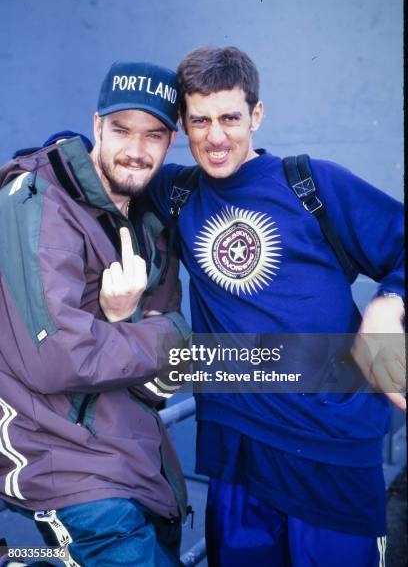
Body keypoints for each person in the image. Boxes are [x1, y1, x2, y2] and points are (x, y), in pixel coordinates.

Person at [147, 46, 405, 566]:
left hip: (331, 454)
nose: (216, 137)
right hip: (237, 455)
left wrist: (389, 302)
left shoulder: (312, 184)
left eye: (230, 118)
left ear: (256, 115)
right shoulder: (176, 193)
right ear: (183, 123)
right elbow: (92, 161)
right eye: (200, 120)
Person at [0, 61, 191, 567]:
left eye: (153, 135)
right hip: (68, 473)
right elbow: (58, 357)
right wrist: (150, 330)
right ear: (97, 125)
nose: (136, 149)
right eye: (122, 129)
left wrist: (118, 319)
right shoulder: (39, 199)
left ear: (170, 143)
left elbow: (169, 376)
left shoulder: (151, 222)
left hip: (141, 470)